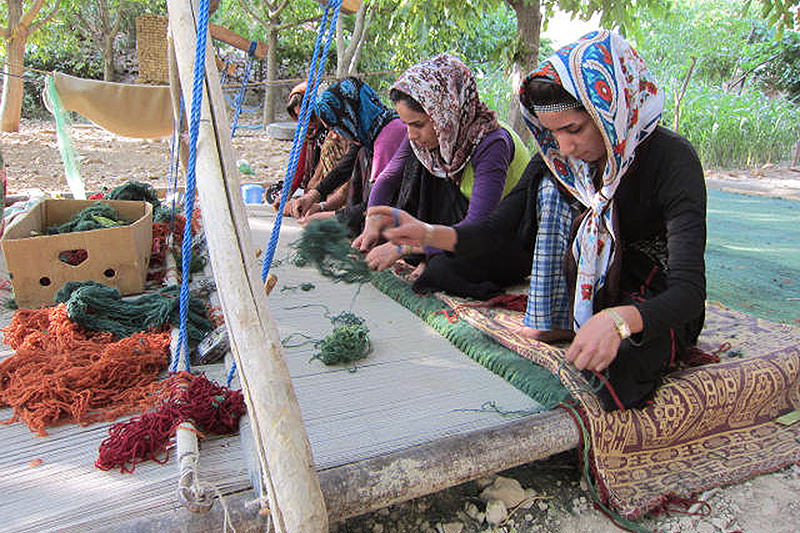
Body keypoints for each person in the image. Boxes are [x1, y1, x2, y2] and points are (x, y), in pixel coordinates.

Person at [368, 31, 707, 412]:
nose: (564, 147)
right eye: (552, 133)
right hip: (590, 283)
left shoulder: (672, 160)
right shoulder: (557, 160)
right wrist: (427, 235)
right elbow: (497, 230)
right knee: (547, 191)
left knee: (622, 365)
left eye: (574, 129)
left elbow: (688, 292)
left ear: (613, 112)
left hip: (651, 292)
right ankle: (564, 318)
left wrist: (620, 321)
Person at [355, 54, 530, 290]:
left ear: (446, 113)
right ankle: (429, 252)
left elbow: (477, 227)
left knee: (441, 272)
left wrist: (404, 247)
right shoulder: (428, 138)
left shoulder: (492, 143)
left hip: (500, 237)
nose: (410, 134)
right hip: (461, 230)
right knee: (418, 168)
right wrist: (372, 219)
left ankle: (431, 256)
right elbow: (388, 178)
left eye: (417, 124)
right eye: (406, 124)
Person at [291, 77, 406, 234]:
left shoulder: (389, 136)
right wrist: (314, 196)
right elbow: (344, 168)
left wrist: (328, 217)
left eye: (338, 126)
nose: (337, 135)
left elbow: (378, 204)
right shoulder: (368, 134)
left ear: (350, 114)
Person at [275, 82, 351, 215]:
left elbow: (344, 169)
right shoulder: (308, 134)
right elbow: (299, 165)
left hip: (335, 192)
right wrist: (286, 193)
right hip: (320, 192)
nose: (306, 121)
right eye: (299, 117)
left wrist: (319, 201)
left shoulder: (336, 133)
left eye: (308, 115)